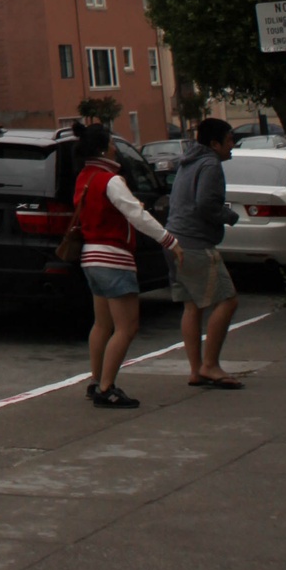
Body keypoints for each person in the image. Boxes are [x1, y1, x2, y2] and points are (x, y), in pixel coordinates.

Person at [71, 125, 181, 410]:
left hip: (91, 256)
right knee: (127, 326)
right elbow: (137, 215)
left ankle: (96, 380)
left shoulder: (84, 177)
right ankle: (107, 388)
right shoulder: (111, 180)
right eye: (111, 143)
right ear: (103, 149)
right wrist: (169, 240)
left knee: (102, 324)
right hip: (114, 257)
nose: (115, 148)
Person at [167, 118, 241, 387]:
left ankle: (196, 370)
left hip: (174, 239)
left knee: (192, 305)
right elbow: (205, 204)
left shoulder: (188, 162)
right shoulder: (210, 164)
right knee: (228, 300)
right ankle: (210, 365)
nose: (232, 145)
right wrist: (229, 216)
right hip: (195, 243)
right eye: (229, 140)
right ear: (214, 144)